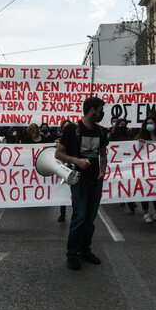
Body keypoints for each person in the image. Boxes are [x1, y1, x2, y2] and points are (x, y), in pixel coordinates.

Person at [55, 96, 107, 270]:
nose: (102, 113)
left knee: (90, 219)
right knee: (79, 217)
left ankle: (85, 251)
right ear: (92, 110)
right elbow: (59, 154)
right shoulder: (72, 129)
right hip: (79, 181)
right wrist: (77, 161)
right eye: (100, 110)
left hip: (95, 180)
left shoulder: (101, 131)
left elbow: (103, 153)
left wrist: (103, 171)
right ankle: (72, 254)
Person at [134, 116, 156, 223]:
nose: (149, 125)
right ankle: (146, 213)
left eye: (151, 122)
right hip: (144, 168)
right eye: (147, 123)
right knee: (145, 190)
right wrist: (139, 143)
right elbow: (135, 151)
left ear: (155, 124)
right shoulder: (141, 137)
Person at [55, 119, 73, 222]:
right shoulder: (58, 141)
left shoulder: (76, 140)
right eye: (65, 127)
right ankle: (63, 214)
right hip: (62, 168)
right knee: (63, 191)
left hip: (73, 167)